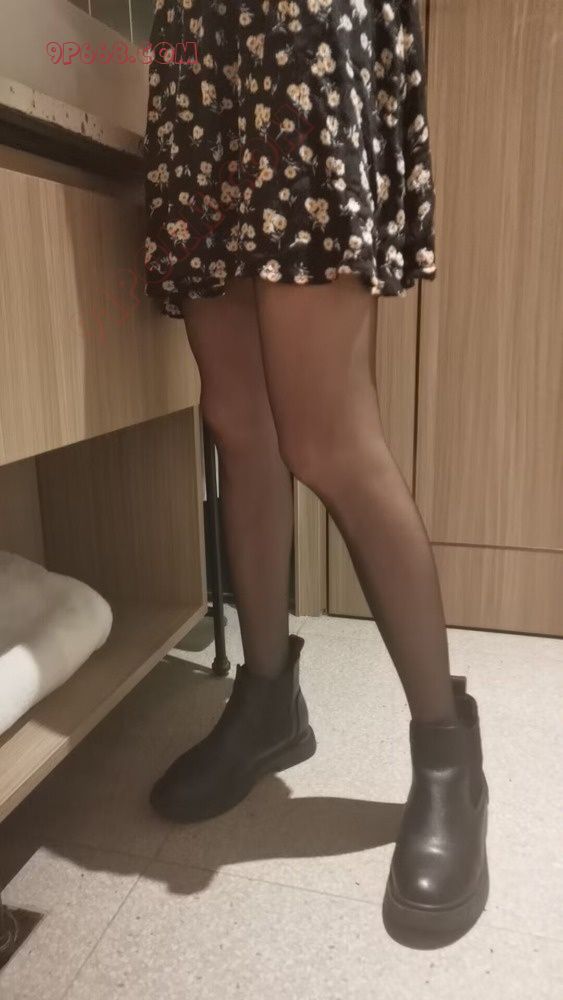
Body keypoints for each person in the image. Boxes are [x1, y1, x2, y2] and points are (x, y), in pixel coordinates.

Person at [141, 0, 488, 949]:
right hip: (197, 43)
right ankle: (266, 704)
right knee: (237, 422)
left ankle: (449, 758)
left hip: (300, 26)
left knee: (327, 438)